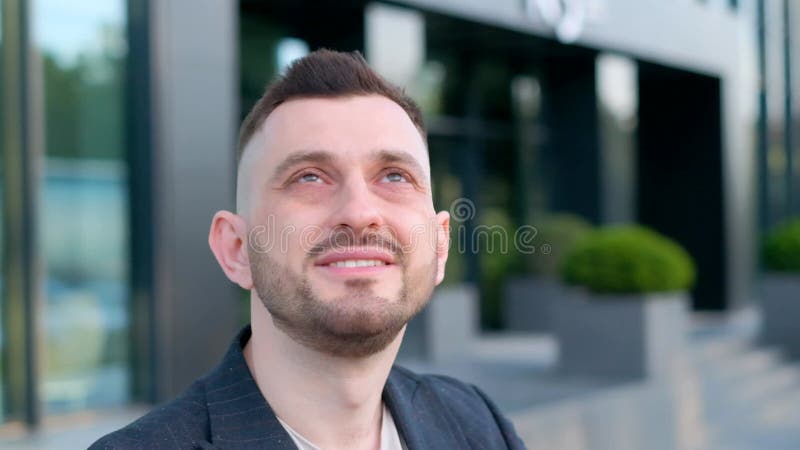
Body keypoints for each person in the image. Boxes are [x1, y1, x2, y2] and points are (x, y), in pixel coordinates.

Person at [91, 49, 526, 450]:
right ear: (237, 249)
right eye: (310, 177)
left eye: (393, 176)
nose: (359, 213)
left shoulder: (477, 425)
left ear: (440, 244)